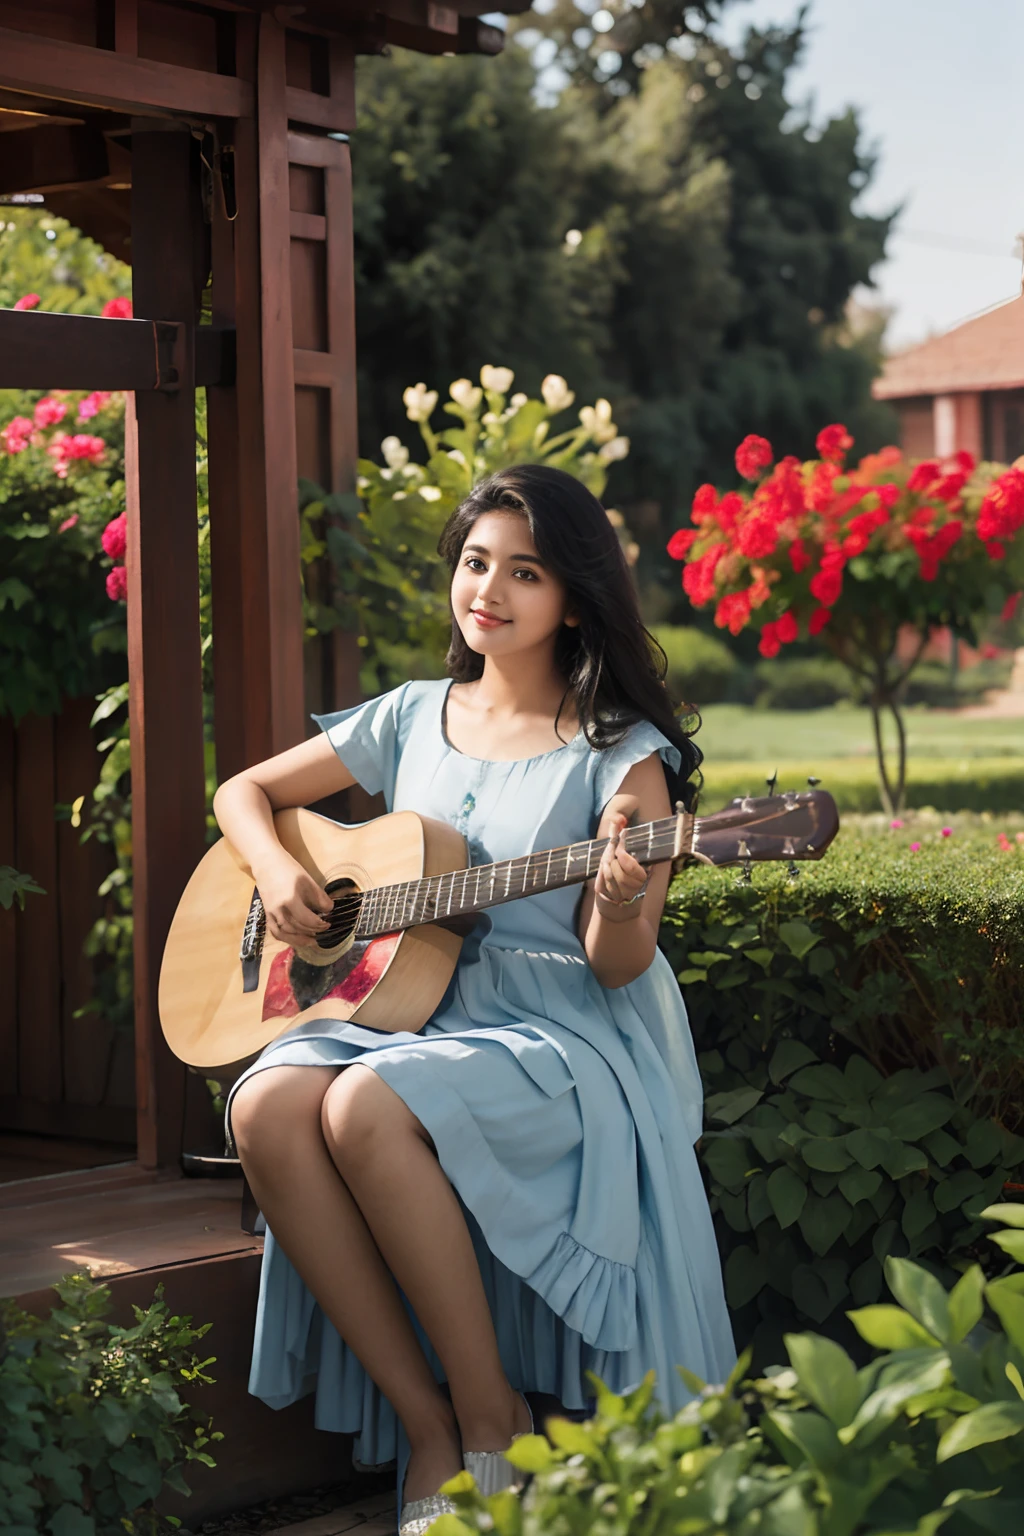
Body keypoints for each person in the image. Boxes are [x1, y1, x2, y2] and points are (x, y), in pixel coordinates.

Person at [214, 464, 734, 1535]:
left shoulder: (622, 758)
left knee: (365, 1107)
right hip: (406, 1007)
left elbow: (615, 964)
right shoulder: (410, 714)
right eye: (475, 560)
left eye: (525, 572)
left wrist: (623, 897)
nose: (487, 588)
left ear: (574, 600)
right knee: (263, 1107)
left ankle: (492, 1420)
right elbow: (243, 791)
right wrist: (274, 872)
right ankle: (433, 1425)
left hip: (558, 1029)